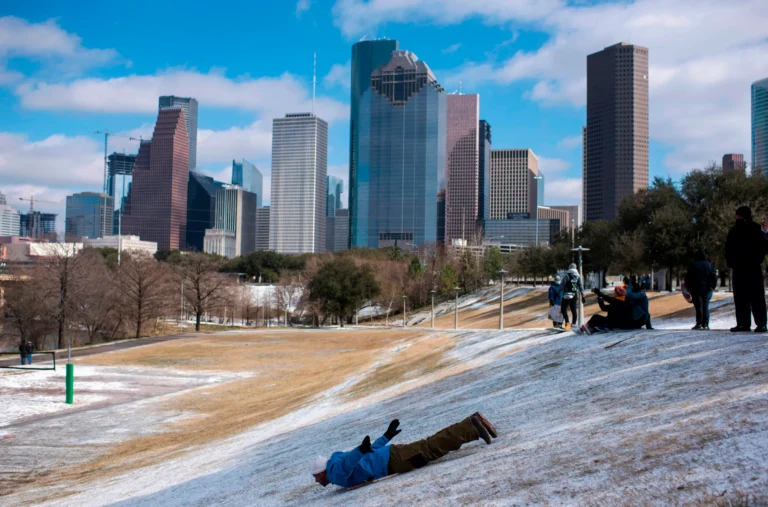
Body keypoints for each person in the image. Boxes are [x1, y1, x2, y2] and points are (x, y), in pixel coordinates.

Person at [311, 413, 497, 489]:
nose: (316, 480)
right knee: (429, 448)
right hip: (391, 455)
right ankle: (474, 425)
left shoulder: (335, 473)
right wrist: (387, 436)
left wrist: (360, 450)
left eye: (316, 476)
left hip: (393, 460)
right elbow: (369, 450)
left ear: (322, 471)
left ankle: (472, 426)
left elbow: (349, 462)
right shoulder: (337, 466)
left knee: (431, 448)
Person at [725, 206, 768, 333]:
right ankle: (742, 324)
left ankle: (761, 323)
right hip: (738, 269)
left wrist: (757, 259)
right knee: (740, 298)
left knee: (756, 297)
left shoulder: (756, 229)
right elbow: (728, 249)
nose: (737, 218)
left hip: (753, 269)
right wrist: (731, 263)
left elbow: (764, 246)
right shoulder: (733, 231)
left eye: (739, 215)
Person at [684, 249, 718, 330]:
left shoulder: (693, 264)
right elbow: (714, 276)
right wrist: (712, 286)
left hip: (696, 288)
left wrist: (689, 287)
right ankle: (705, 324)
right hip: (706, 288)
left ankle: (699, 323)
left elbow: (688, 277)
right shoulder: (709, 264)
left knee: (698, 306)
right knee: (705, 306)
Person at [559, 264, 585, 331]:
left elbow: (562, 285)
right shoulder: (578, 276)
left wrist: (559, 291)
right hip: (574, 295)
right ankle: (573, 325)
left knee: (563, 310)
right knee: (574, 310)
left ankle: (567, 325)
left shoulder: (567, 276)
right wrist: (583, 295)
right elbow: (581, 286)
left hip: (567, 295)